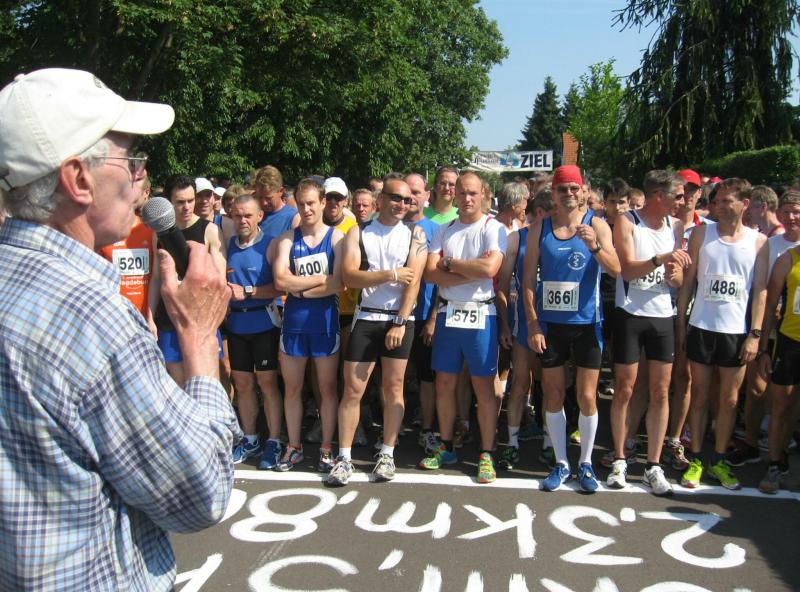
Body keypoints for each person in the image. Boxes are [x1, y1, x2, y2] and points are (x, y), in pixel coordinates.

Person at [0, 67, 240, 591]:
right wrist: (200, 337)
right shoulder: (91, 317)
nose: (141, 177)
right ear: (78, 179)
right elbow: (200, 492)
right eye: (131, 160)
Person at [524, 166, 620, 492]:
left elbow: (617, 269)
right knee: (553, 394)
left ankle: (586, 462)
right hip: (551, 326)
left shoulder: (597, 225)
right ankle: (562, 462)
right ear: (552, 193)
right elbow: (527, 280)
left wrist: (595, 247)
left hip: (587, 324)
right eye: (562, 188)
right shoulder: (539, 228)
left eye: (573, 188)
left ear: (583, 192)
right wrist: (533, 323)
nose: (568, 194)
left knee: (587, 395)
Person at [327, 176, 427, 486]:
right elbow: (350, 277)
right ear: (381, 199)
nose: (402, 204)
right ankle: (344, 458)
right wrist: (390, 274)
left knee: (393, 388)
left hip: (400, 320)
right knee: (352, 390)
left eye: (407, 199)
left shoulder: (416, 233)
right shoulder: (359, 231)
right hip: (367, 318)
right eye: (396, 198)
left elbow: (414, 282)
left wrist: (400, 320)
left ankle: (387, 453)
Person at [677, 178, 768, 491]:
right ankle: (696, 458)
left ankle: (718, 459)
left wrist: (755, 334)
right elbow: (688, 284)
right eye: (717, 201)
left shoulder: (759, 242)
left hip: (736, 332)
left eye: (728, 201)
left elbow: (760, 291)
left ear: (744, 204)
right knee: (700, 397)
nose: (720, 206)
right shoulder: (702, 234)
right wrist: (681, 325)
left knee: (728, 400)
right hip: (702, 327)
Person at [419, 171, 507, 484]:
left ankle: (486, 453)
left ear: (483, 194)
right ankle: (446, 446)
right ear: (454, 196)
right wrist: (471, 270)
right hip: (448, 313)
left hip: (481, 314)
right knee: (444, 383)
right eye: (462, 193)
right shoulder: (445, 230)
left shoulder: (493, 227)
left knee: (483, 387)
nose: (467, 199)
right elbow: (430, 274)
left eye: (472, 193)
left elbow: (490, 268)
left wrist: (451, 264)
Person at [607, 170, 690, 496]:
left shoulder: (676, 226)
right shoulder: (627, 221)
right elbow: (627, 270)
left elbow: (678, 280)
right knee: (624, 389)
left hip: (662, 316)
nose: (682, 202)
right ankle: (619, 459)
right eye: (677, 196)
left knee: (661, 391)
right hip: (630, 313)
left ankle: (653, 465)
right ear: (659, 195)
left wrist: (673, 274)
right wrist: (661, 259)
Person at [273, 179, 344, 472]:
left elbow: (339, 283)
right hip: (294, 326)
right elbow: (280, 280)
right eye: (301, 204)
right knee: (292, 389)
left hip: (324, 324)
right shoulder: (288, 239)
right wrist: (318, 282)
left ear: (323, 202)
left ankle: (326, 448)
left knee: (327, 388)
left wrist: (298, 287)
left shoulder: (337, 238)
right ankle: (294, 446)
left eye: (312, 203)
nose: (306, 209)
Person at [224, 194, 285, 469]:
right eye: (237, 215)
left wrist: (248, 291)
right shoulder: (228, 245)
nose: (243, 220)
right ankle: (250, 438)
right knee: (242, 384)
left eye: (248, 215)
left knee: (268, 383)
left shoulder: (270, 245)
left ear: (259, 216)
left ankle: (274, 440)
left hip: (264, 322)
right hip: (237, 324)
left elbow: (280, 287)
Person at [150, 174, 227, 387]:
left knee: (210, 382)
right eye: (180, 202)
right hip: (169, 317)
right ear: (169, 202)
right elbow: (156, 278)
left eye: (190, 200)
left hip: (201, 317)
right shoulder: (158, 234)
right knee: (178, 383)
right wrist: (150, 316)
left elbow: (220, 280)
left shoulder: (210, 230)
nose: (186, 207)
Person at [757, 192, 800, 493]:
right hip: (789, 341)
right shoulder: (787, 259)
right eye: (789, 211)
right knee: (781, 407)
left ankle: (783, 456)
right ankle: (774, 464)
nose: (793, 217)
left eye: (797, 211)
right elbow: (770, 304)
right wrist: (762, 348)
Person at [405, 172, 441, 454]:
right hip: (393, 315)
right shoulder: (387, 226)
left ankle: (428, 430)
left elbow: (441, 280)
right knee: (392, 378)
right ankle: (391, 430)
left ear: (427, 196)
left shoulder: (437, 230)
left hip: (424, 314)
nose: (411, 198)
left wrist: (433, 318)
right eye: (407, 192)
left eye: (417, 192)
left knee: (427, 378)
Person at [98, 176, 157, 334]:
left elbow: (157, 277)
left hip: (147, 320)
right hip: (114, 319)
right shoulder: (104, 234)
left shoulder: (151, 231)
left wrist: (152, 317)